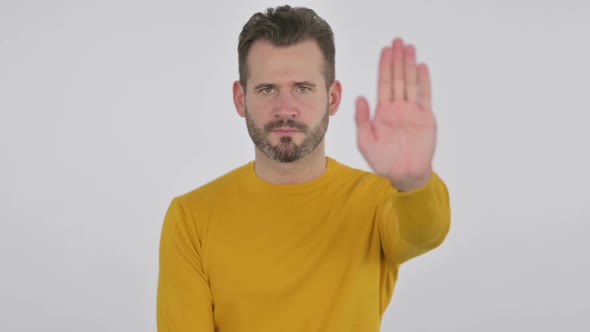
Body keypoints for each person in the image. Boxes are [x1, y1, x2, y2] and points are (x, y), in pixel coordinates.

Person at [156, 4, 451, 331]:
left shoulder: (379, 200)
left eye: (302, 88)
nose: (286, 109)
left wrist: (414, 181)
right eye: (267, 89)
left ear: (333, 97)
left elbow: (426, 232)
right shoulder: (191, 217)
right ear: (241, 99)